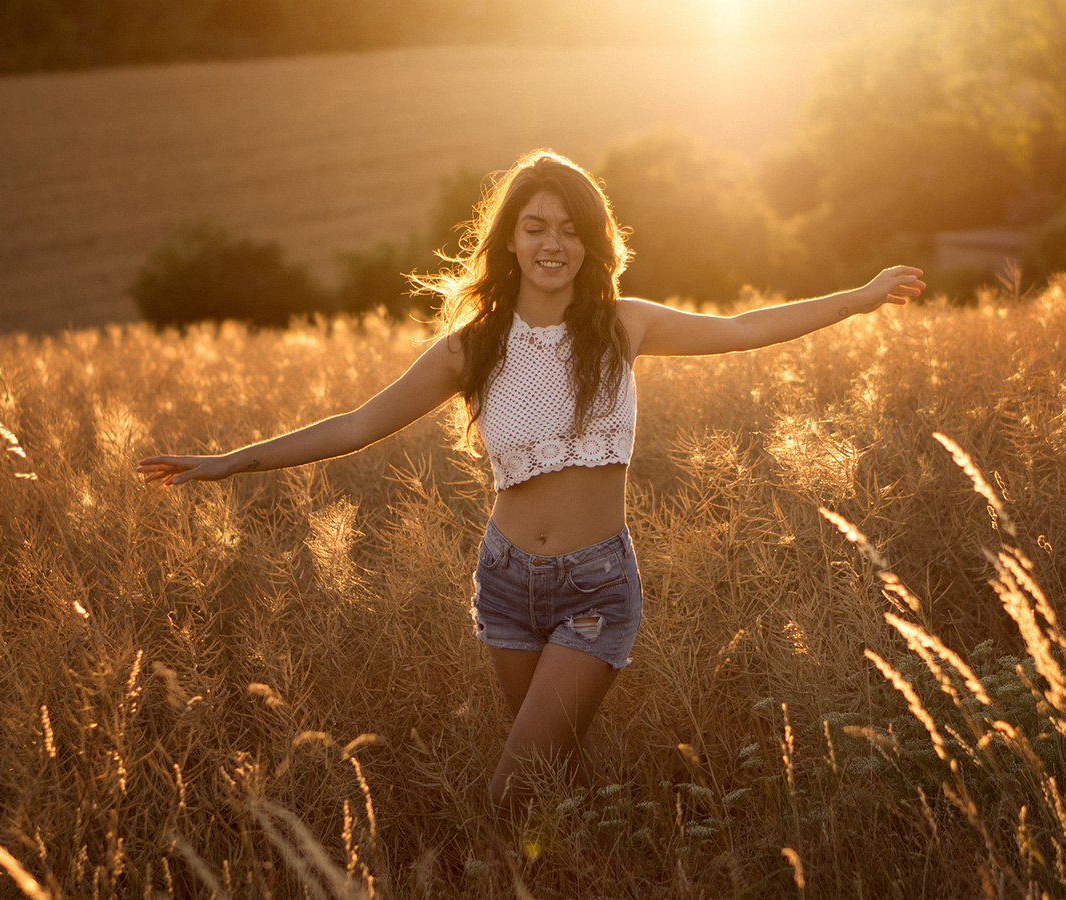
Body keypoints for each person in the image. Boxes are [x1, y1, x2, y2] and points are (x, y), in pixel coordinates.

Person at [136, 149, 924, 813]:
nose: (554, 243)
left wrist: (858, 299)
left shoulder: (624, 325)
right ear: (509, 240)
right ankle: (580, 868)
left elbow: (749, 328)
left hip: (595, 587)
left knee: (510, 789)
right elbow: (355, 424)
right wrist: (229, 460)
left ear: (593, 244)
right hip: (506, 584)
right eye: (536, 226)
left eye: (571, 230)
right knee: (548, 777)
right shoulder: (472, 348)